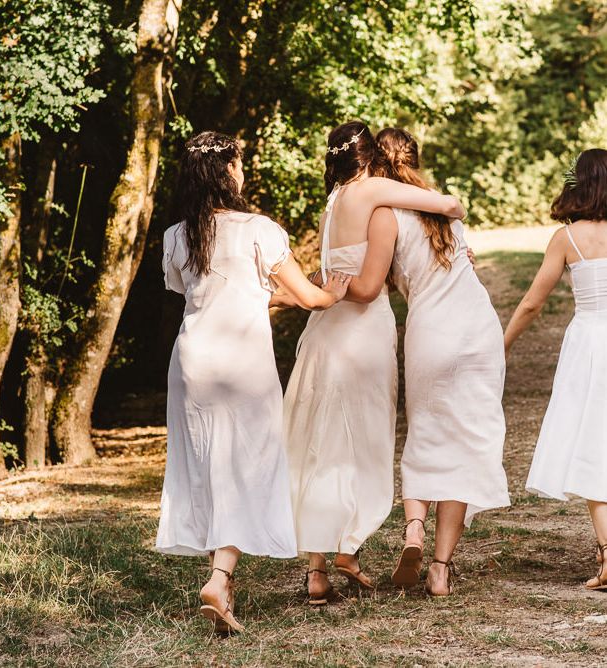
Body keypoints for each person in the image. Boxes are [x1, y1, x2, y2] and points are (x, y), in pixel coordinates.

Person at [155, 131, 351, 634]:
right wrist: (332, 293)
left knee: (208, 464)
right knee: (252, 462)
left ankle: (221, 579)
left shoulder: (177, 235)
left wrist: (283, 298)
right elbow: (308, 298)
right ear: (227, 173)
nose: (243, 172)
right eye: (239, 164)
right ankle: (220, 577)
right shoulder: (259, 229)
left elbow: (207, 296)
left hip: (193, 362)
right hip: (244, 362)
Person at [283, 121, 469, 605]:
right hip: (363, 337)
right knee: (364, 440)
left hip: (323, 335)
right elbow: (447, 208)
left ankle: (319, 571)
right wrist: (450, 216)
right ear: (369, 157)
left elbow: (326, 276)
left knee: (324, 442)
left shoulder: (330, 204)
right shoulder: (375, 195)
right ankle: (348, 547)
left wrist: (321, 292)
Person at [504, 148, 607, 591]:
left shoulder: (567, 238)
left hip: (589, 343)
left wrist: (502, 345)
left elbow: (532, 302)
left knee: (592, 446)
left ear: (577, 184)